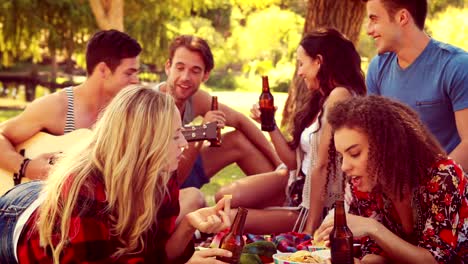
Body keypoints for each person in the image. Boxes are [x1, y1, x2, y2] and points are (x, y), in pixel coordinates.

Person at [0, 85, 233, 264]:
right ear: (143, 144)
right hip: (15, 219)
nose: (184, 143)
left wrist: (187, 227)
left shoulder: (160, 171)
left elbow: (154, 256)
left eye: (180, 133)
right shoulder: (83, 192)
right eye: (173, 137)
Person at [216, 28, 366, 234]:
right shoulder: (320, 99)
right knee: (223, 198)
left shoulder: (339, 96)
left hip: (313, 204)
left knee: (230, 217)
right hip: (295, 184)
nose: (300, 72)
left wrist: (310, 227)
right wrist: (269, 124)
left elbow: (321, 165)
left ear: (319, 62)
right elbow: (293, 162)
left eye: (301, 63)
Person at [315, 95, 468, 264]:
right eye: (341, 156)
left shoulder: (443, 177)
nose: (344, 166)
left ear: (387, 148)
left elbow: (436, 260)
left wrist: (372, 228)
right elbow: (377, 254)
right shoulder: (364, 185)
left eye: (354, 154)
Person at [0, 29, 141, 183]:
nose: (136, 80)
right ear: (103, 70)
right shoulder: (57, 107)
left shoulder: (127, 114)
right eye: (129, 73)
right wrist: (26, 167)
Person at [154, 35, 282, 189]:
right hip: (162, 186)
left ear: (206, 75)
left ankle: (284, 192)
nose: (185, 77)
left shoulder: (197, 99)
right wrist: (202, 131)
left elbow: (240, 121)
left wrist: (280, 164)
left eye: (195, 71)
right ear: (168, 67)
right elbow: (173, 179)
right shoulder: (152, 105)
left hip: (186, 168)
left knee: (238, 141)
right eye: (180, 68)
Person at [364, 0, 468, 170]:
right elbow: (373, 137)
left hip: (449, 191)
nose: (369, 30)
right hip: (395, 190)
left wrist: (426, 188)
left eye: (374, 19)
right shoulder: (377, 68)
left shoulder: (457, 66)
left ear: (402, 17)